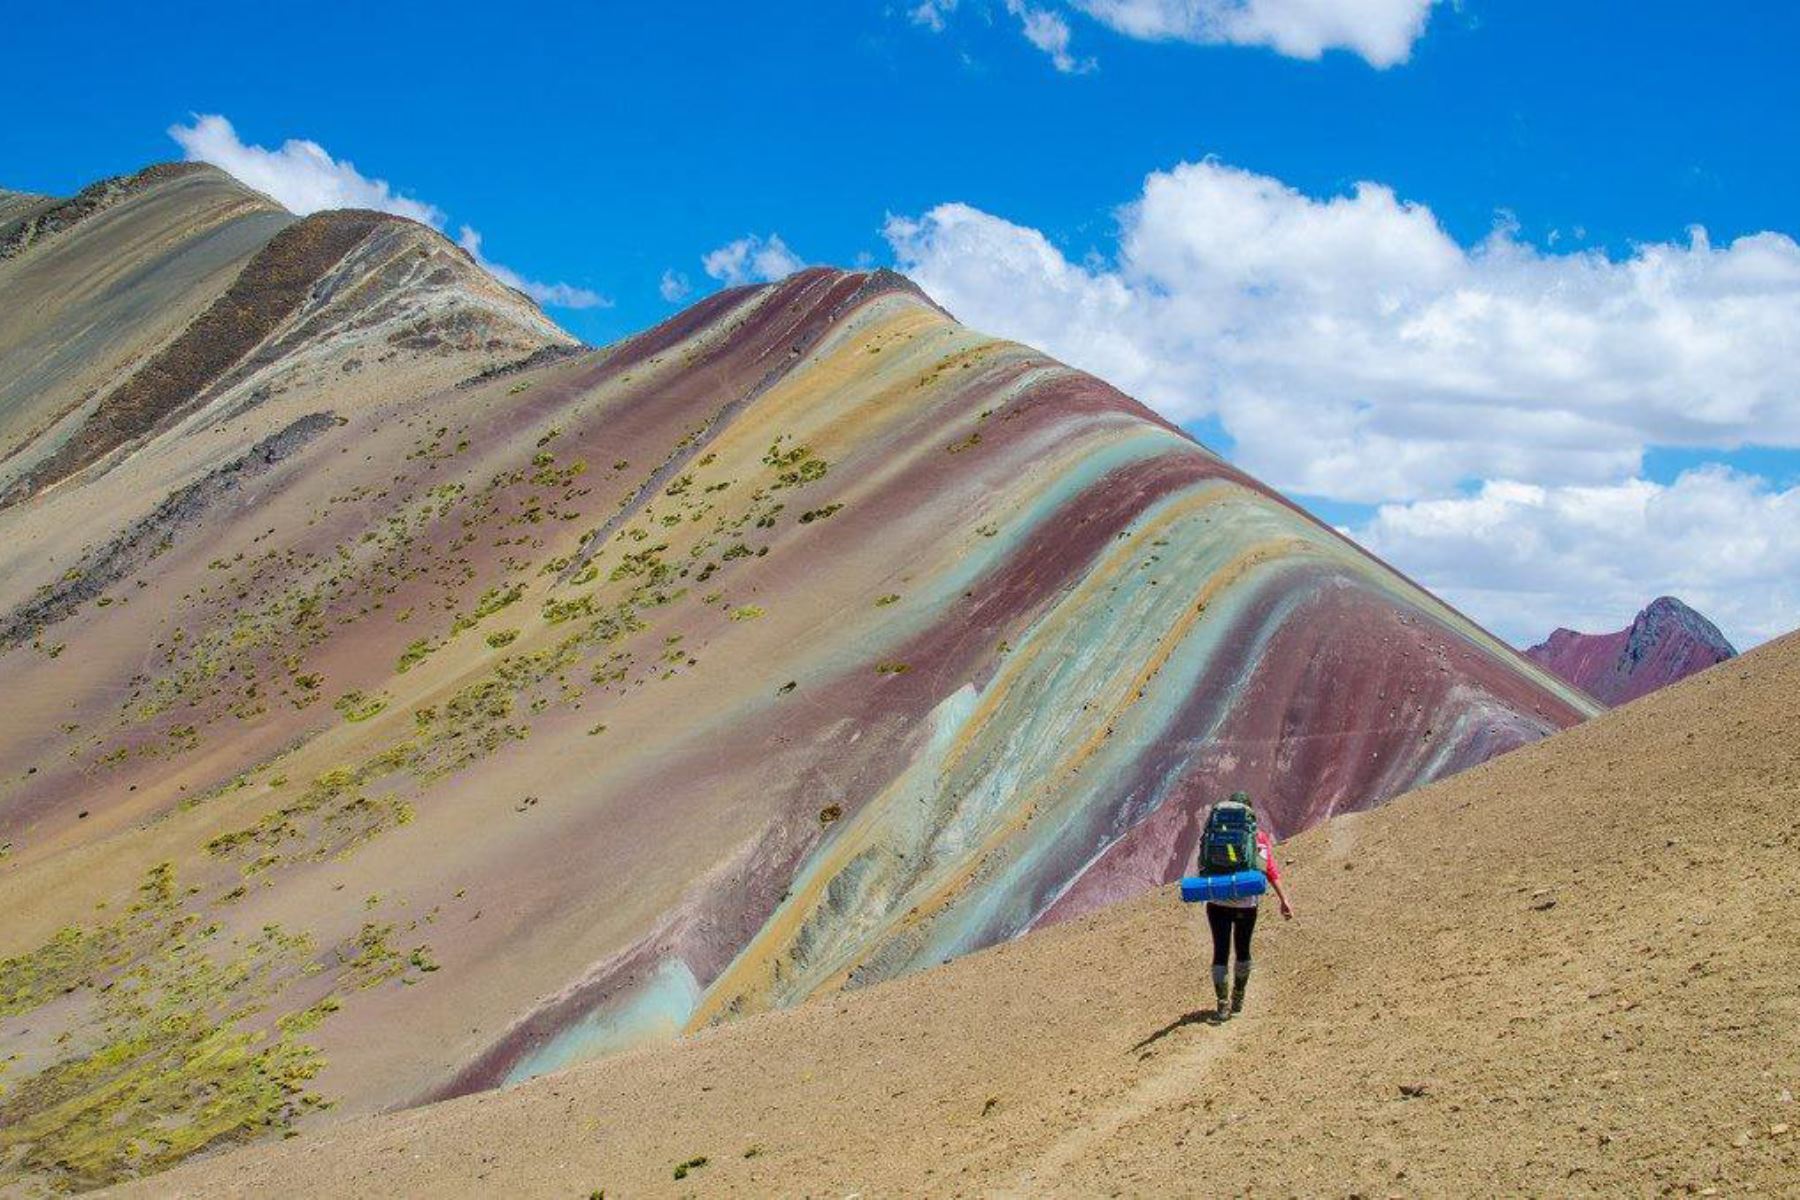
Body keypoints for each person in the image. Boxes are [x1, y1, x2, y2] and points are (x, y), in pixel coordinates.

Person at [1204, 790, 1293, 1021]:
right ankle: (1239, 995)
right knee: (1243, 949)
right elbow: (1268, 869)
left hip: (1217, 902)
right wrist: (1284, 899)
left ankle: (1222, 1003)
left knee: (1220, 951)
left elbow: (1203, 865)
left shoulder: (1216, 835)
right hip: (1246, 904)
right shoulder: (1259, 838)